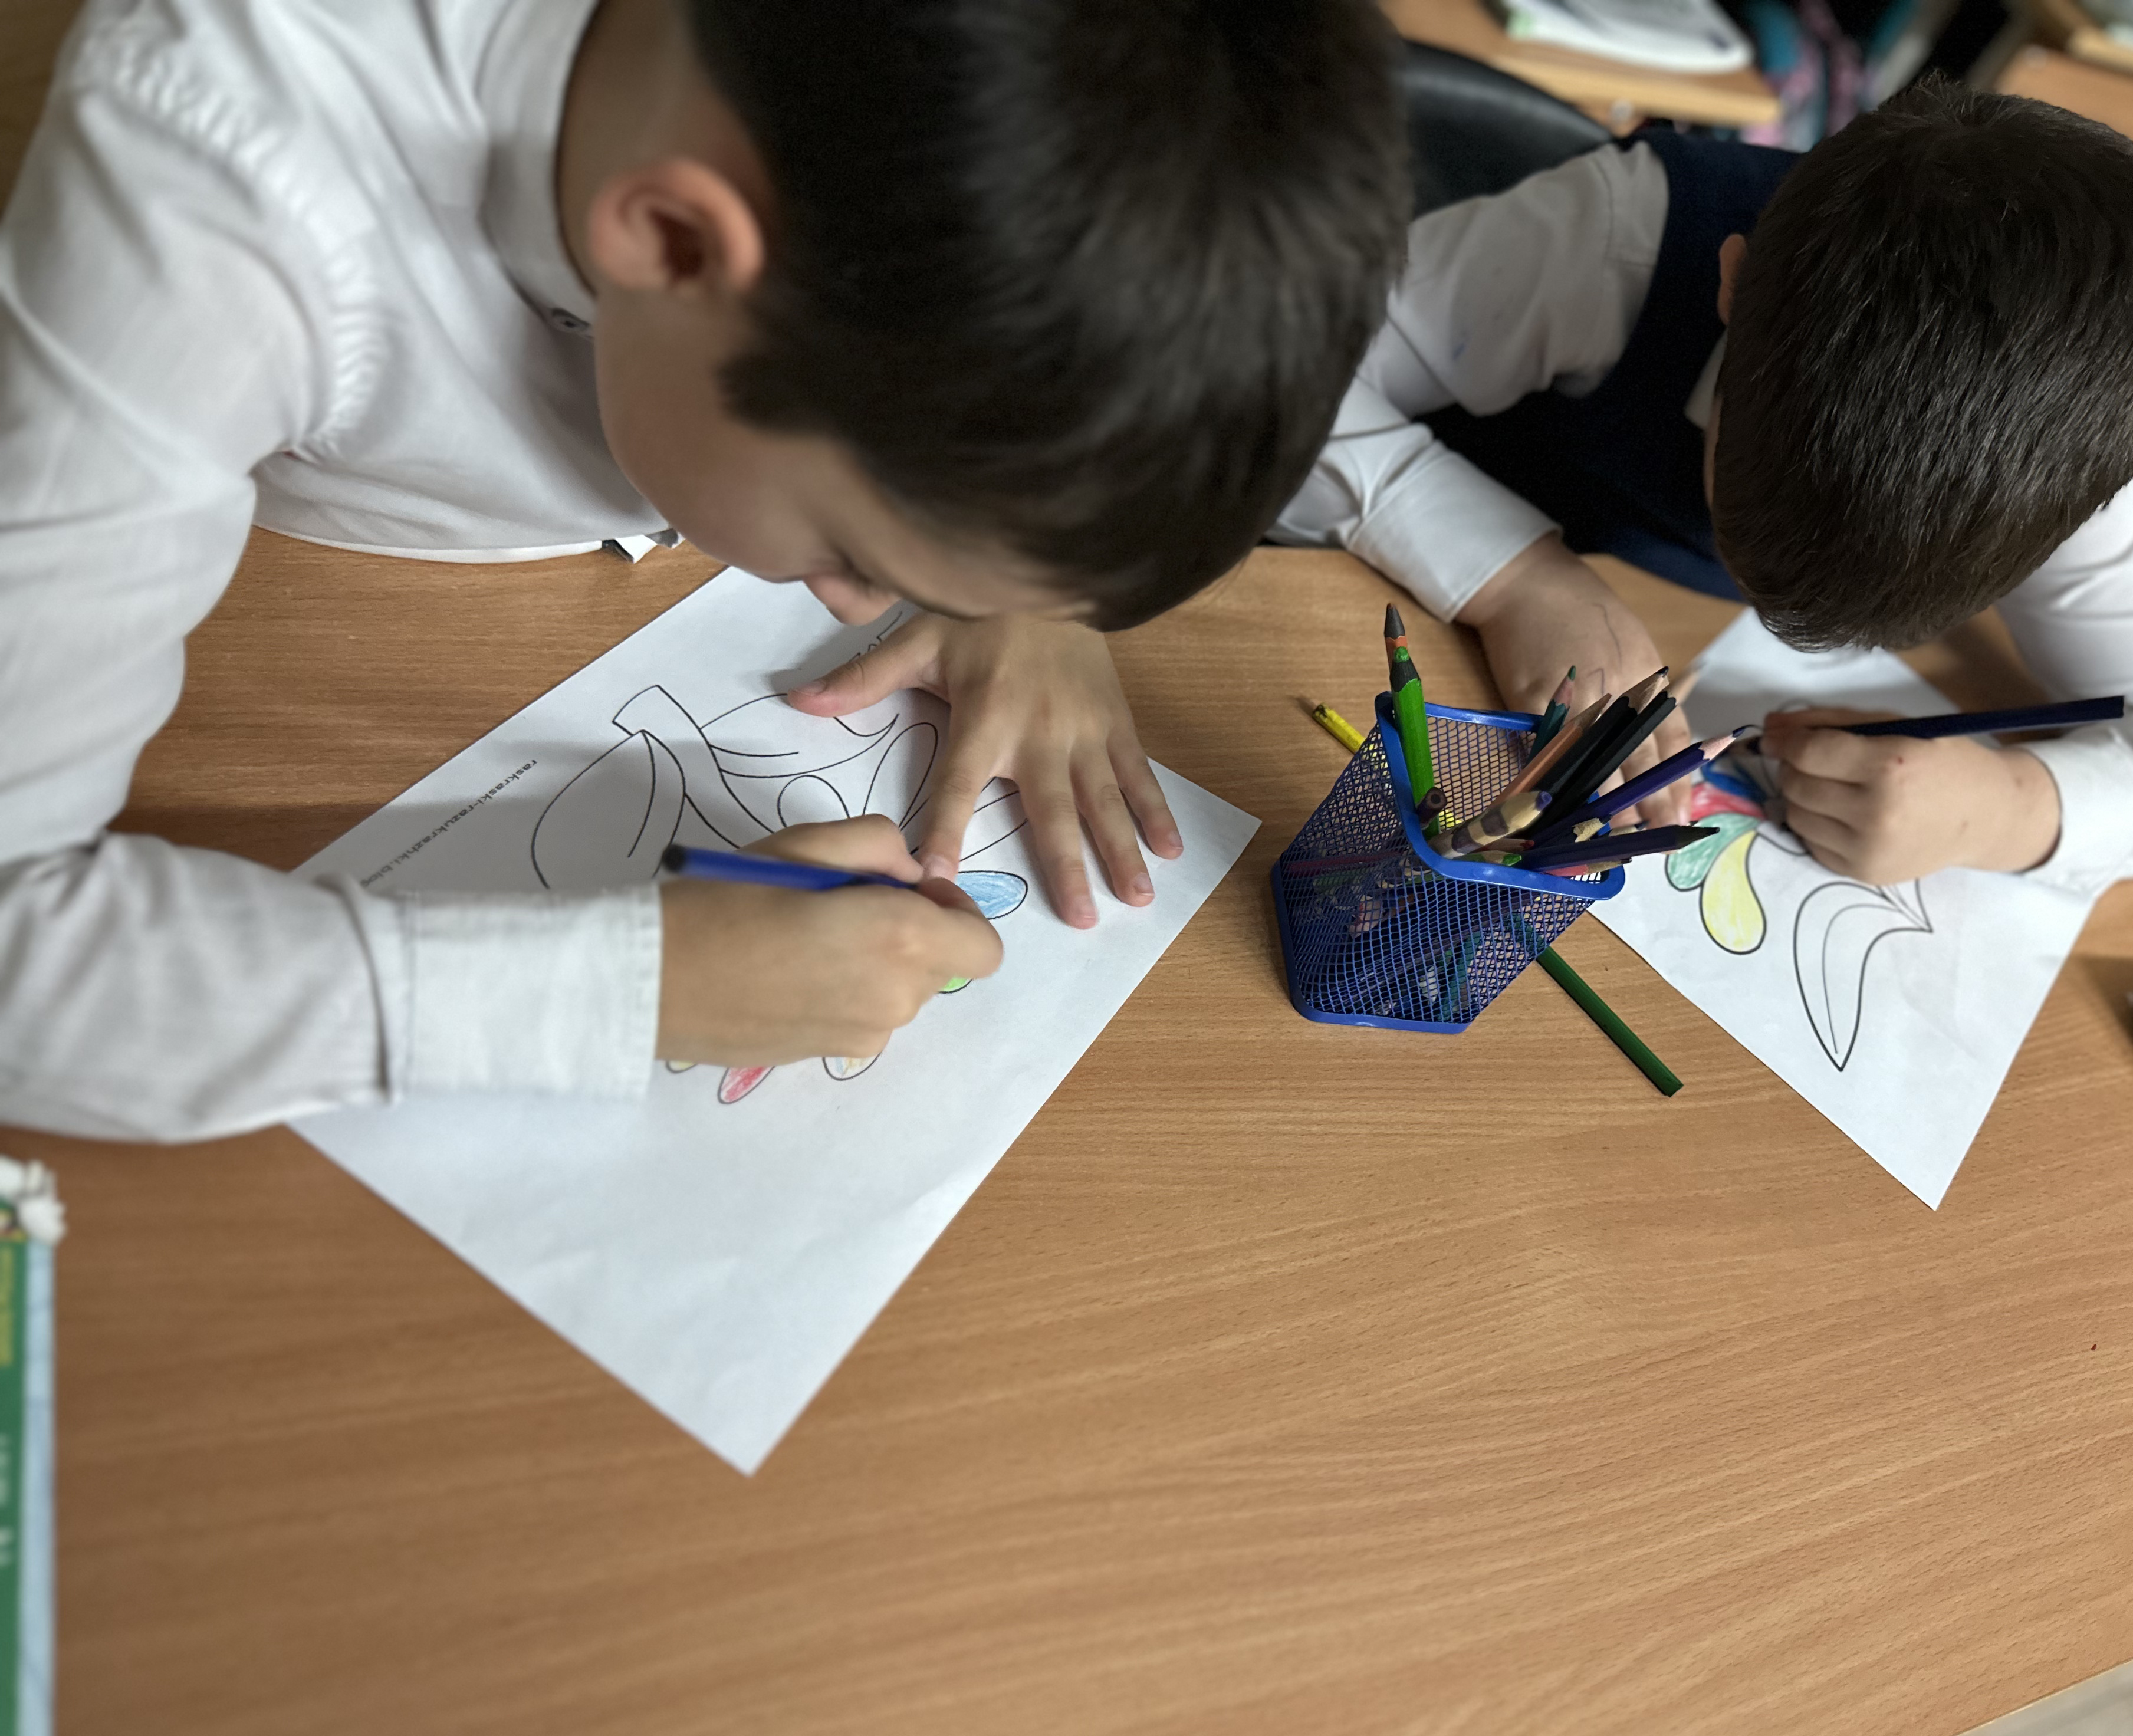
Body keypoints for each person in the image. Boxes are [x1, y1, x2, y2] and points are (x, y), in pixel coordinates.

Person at [0, 0, 1408, 1141]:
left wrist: (1020, 571)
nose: (864, 601)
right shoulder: (210, 178)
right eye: (859, 558)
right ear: (670, 240)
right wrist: (634, 987)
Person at [1275, 81, 2133, 887]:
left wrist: (2003, 811)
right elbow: (1269, 376)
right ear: (1732, 287)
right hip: (1342, 594)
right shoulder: (1618, 238)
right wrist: (1515, 576)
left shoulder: (2072, 445)